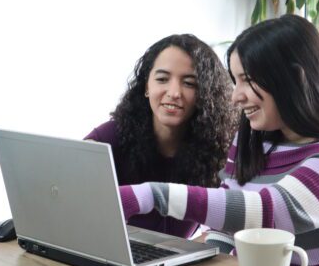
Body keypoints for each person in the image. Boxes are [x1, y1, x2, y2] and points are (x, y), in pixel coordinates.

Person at [119, 15, 319, 266]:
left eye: (247, 80)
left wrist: (151, 195)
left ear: (294, 78)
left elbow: (273, 212)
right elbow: (227, 230)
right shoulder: (254, 144)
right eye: (236, 80)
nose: (236, 96)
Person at [85, 34, 236, 238]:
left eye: (189, 83)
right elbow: (71, 194)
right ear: (147, 86)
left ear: (205, 93)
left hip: (180, 263)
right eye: (162, 79)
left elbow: (232, 217)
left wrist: (206, 242)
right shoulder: (110, 137)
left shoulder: (220, 148)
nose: (174, 92)